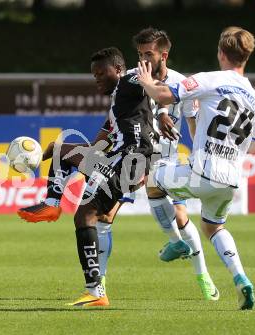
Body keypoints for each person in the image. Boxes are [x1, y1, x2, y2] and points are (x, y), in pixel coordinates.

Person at [137, 26, 255, 310]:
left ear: (221, 53)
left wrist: (147, 82)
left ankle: (175, 242)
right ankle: (241, 278)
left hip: (203, 170)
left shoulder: (209, 80)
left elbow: (164, 96)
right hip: (230, 180)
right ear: (246, 57)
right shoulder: (254, 98)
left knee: (152, 181)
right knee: (213, 227)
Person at [21, 46, 160, 307]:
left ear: (117, 70)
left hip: (131, 160)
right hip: (120, 159)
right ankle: (52, 206)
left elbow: (156, 83)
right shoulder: (119, 101)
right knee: (64, 152)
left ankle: (96, 293)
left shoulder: (130, 80)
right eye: (93, 74)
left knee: (85, 214)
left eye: (100, 73)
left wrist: (162, 98)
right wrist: (72, 155)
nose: (96, 78)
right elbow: (103, 139)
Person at [97, 27, 219, 301]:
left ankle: (203, 275)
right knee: (102, 216)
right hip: (131, 154)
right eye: (139, 54)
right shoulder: (131, 79)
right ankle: (97, 285)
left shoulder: (182, 83)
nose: (143, 60)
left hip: (164, 158)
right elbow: (117, 116)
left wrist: (201, 151)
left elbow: (192, 122)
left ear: (164, 54)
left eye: (148, 54)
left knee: (180, 216)